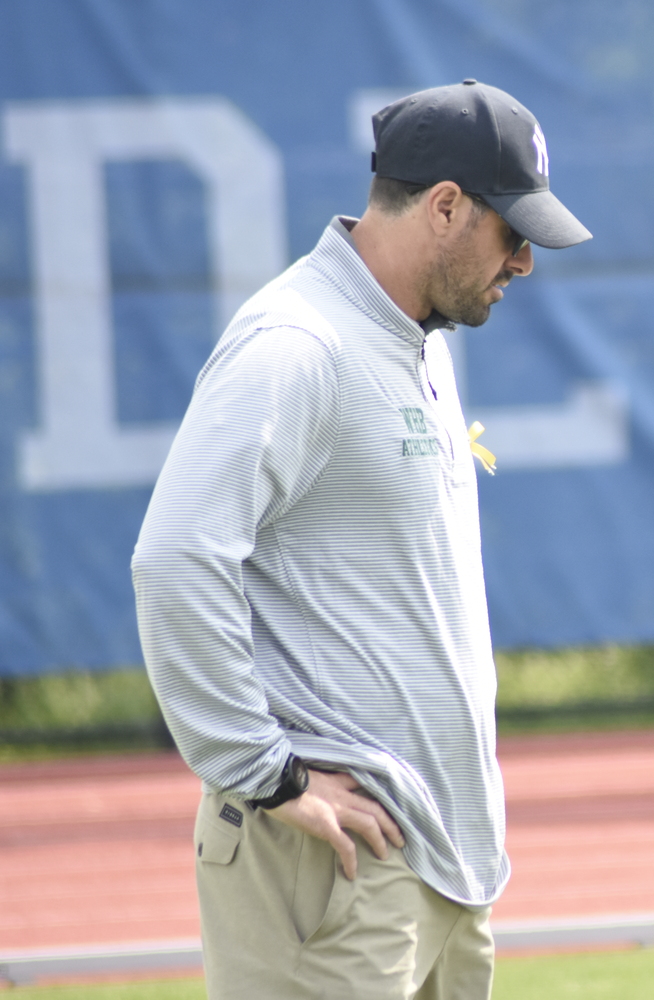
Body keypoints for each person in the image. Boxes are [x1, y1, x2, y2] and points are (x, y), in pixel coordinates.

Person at [132, 80, 591, 999]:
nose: (526, 263)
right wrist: (263, 775)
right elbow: (177, 557)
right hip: (332, 860)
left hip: (434, 860)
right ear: (447, 207)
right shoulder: (297, 345)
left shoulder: (417, 339)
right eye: (516, 233)